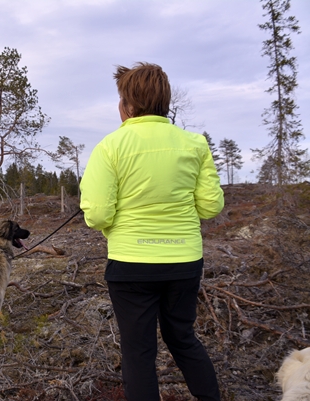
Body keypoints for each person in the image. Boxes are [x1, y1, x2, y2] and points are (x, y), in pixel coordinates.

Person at [79, 62, 224, 401]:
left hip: (130, 265)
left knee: (138, 353)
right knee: (183, 339)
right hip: (184, 263)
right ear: (164, 102)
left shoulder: (110, 146)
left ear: (128, 104)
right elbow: (210, 207)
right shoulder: (195, 144)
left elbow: (98, 215)